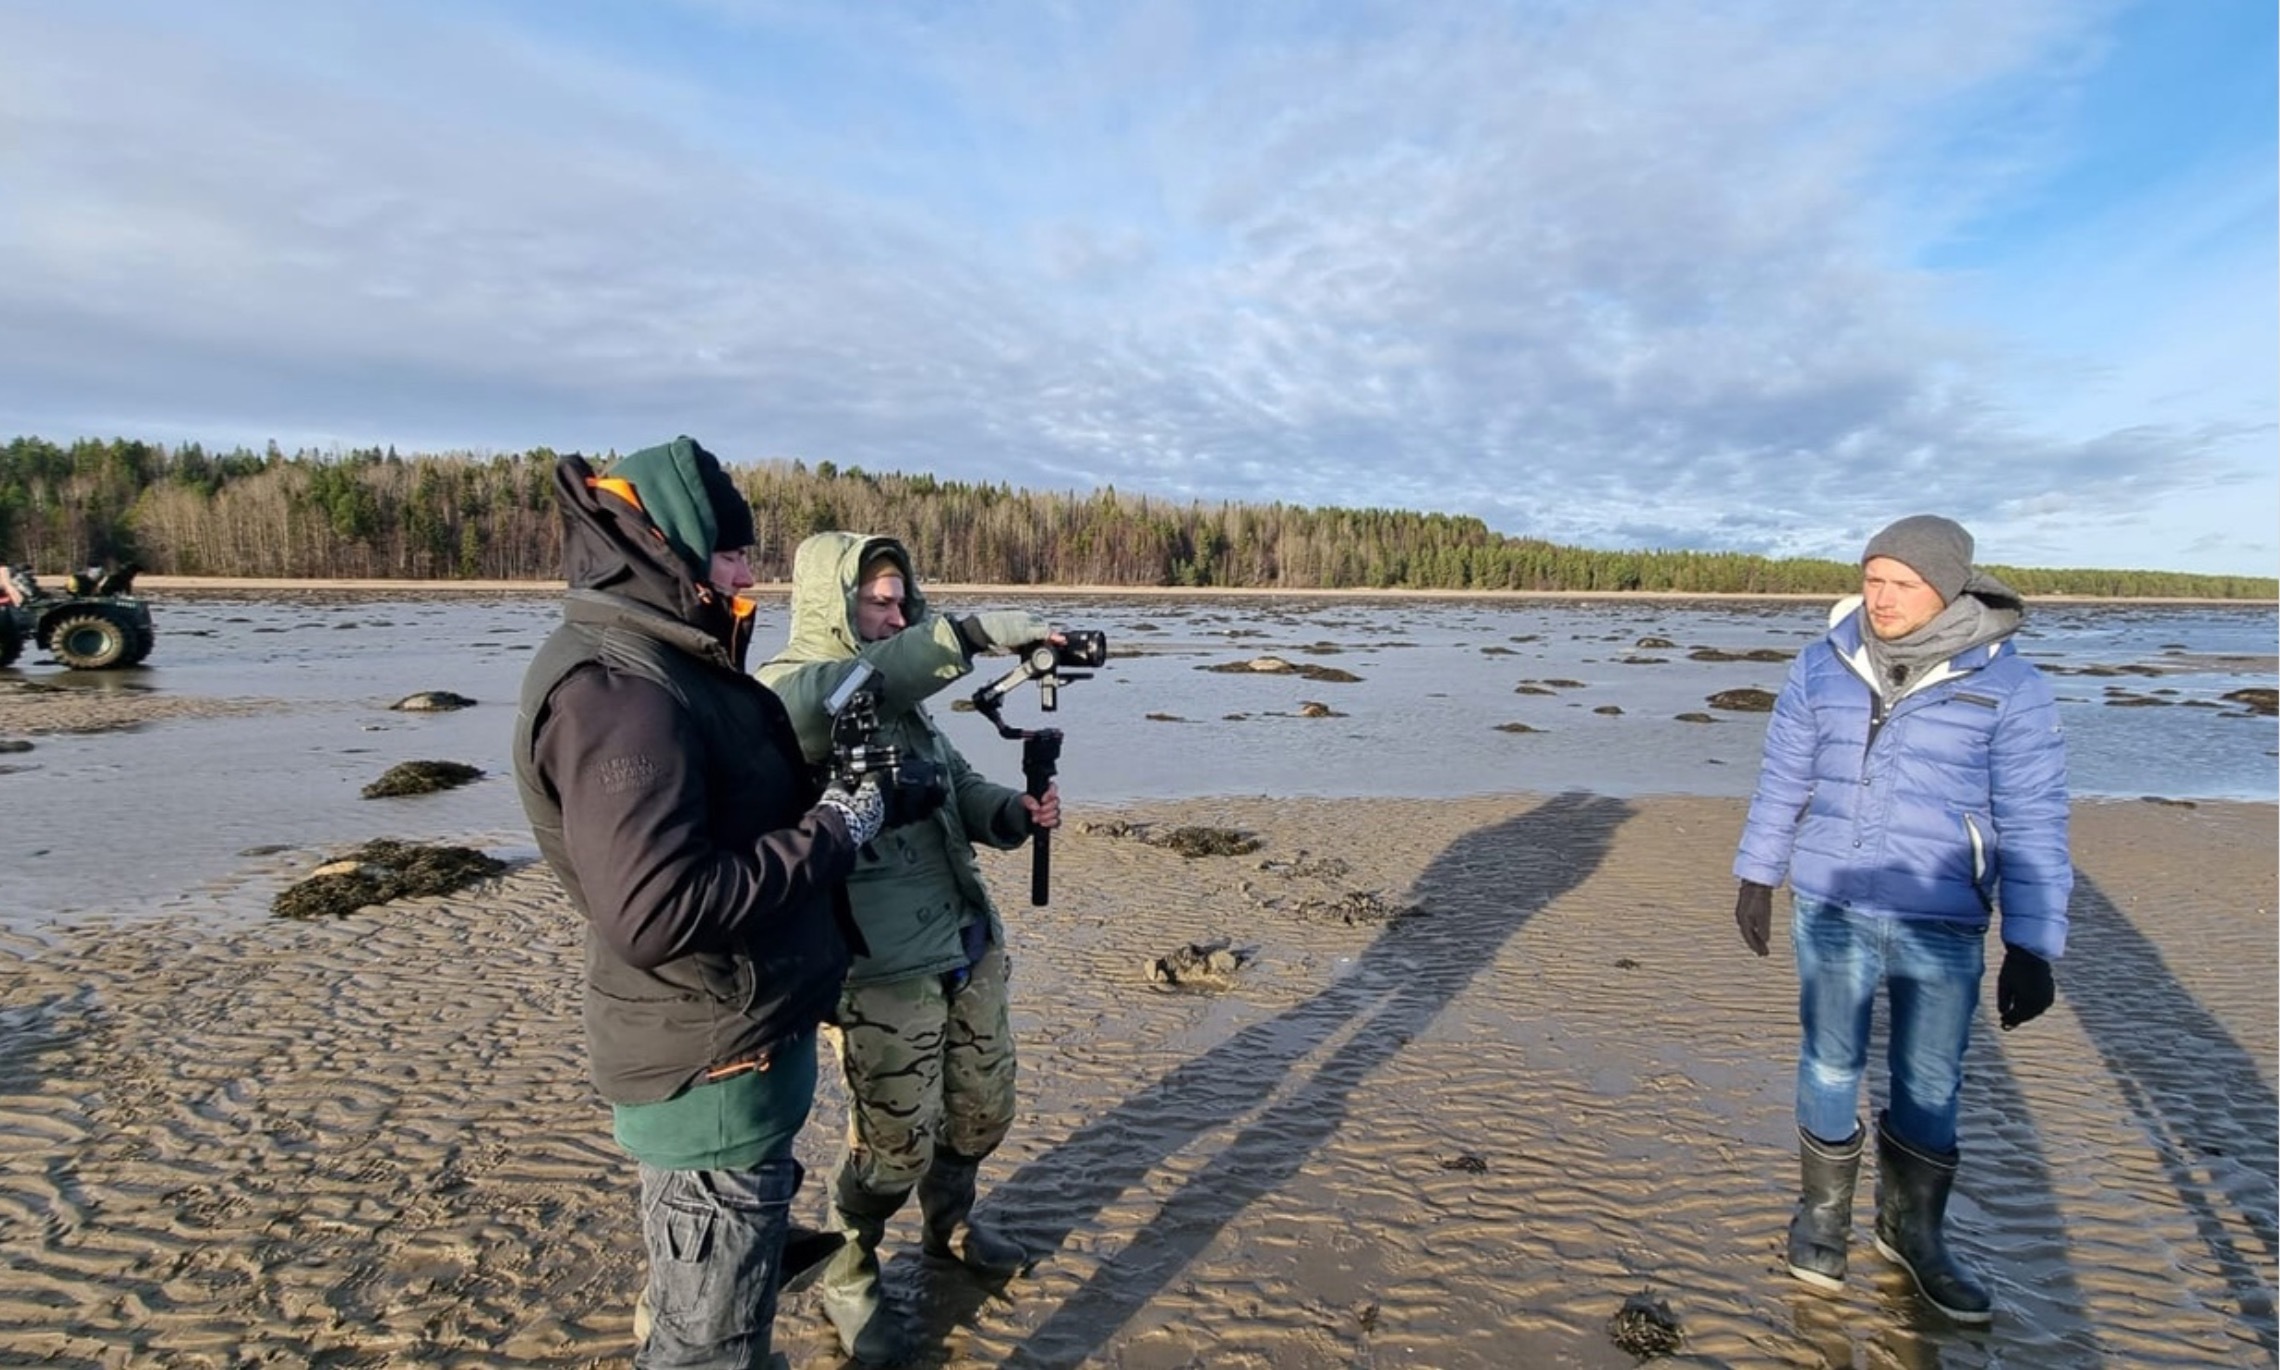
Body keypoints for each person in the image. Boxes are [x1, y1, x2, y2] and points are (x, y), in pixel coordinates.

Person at [512, 437, 886, 1369]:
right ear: (669, 546)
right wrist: (836, 829)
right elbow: (657, 911)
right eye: (731, 552)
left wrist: (871, 796)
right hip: (710, 1073)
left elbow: (727, 809)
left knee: (726, 1324)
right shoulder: (619, 689)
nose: (748, 570)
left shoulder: (672, 659)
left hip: (736, 1056)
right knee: (704, 1349)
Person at [1731, 514, 2072, 1324]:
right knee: (1829, 1062)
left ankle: (1913, 1233)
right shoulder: (1823, 664)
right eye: (1871, 579)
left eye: (1902, 583)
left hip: (1941, 913)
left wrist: (2032, 943)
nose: (1881, 599)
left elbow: (2033, 816)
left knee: (1928, 1079)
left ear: (1948, 588)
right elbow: (1785, 774)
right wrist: (1756, 873)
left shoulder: (2011, 686)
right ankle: (1820, 1219)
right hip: (1833, 897)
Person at [756, 532, 1062, 1366]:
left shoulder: (908, 706)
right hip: (880, 966)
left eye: (903, 601)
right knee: (896, 1140)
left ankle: (951, 1224)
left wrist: (1012, 813)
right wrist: (971, 634)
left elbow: (956, 786)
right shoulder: (789, 692)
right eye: (877, 602)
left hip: (966, 937)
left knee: (982, 1108)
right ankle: (850, 1269)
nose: (895, 614)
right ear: (833, 604)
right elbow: (844, 692)